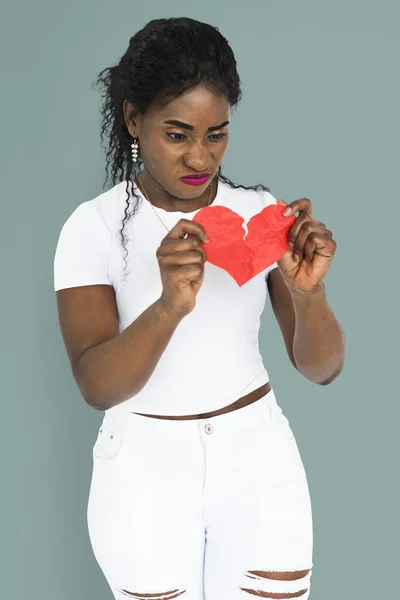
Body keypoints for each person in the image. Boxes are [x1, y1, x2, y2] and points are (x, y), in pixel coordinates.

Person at [54, 17, 345, 600]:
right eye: (178, 133)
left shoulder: (260, 214)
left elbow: (321, 368)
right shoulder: (94, 228)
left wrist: (309, 294)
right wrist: (168, 307)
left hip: (257, 454)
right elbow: (96, 385)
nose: (200, 155)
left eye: (217, 133)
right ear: (135, 120)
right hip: (143, 466)